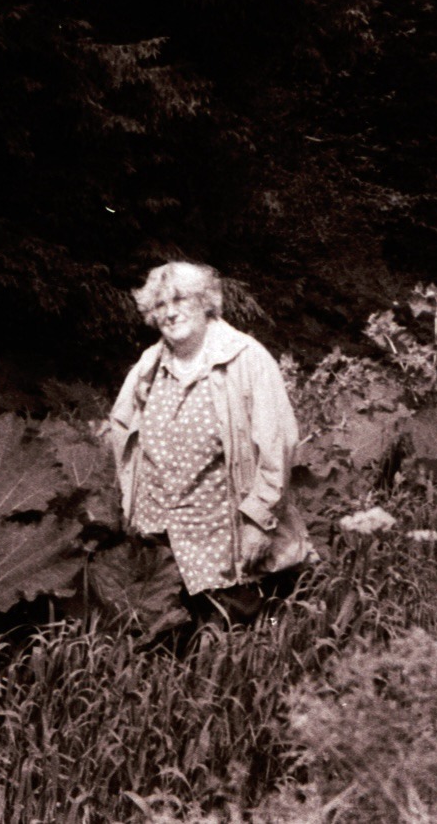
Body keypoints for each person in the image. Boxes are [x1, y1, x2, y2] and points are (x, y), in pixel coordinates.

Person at [106, 261, 317, 620]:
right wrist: (131, 501)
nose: (170, 313)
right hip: (161, 537)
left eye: (179, 299)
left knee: (231, 648)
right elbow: (122, 427)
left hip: (227, 543)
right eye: (159, 305)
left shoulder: (245, 358)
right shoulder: (150, 364)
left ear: (206, 302)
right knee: (170, 652)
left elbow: (276, 445)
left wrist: (258, 521)